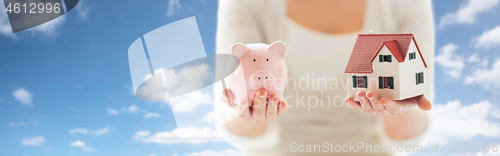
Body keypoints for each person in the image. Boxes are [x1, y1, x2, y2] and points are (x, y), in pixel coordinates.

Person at [214, 0, 434, 155]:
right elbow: (233, 121)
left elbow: (411, 134)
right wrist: (248, 113)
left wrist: (399, 109)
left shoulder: (406, 3)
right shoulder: (247, 3)